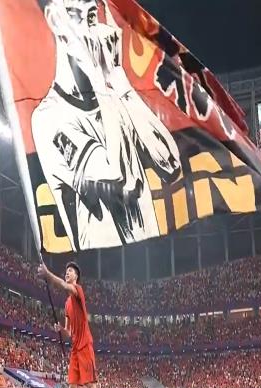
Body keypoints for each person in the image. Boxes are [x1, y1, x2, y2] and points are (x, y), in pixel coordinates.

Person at [32, 0, 181, 252]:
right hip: (103, 268)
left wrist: (118, 80)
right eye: (76, 16)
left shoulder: (115, 96)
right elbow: (117, 181)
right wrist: (101, 81)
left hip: (151, 260)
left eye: (92, 17)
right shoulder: (48, 118)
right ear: (56, 21)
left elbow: (171, 164)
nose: (89, 31)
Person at [38, 261, 103, 388]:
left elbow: (63, 285)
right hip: (74, 348)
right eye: (66, 270)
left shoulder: (77, 291)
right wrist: (61, 329)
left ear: (76, 276)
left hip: (85, 346)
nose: (67, 272)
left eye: (71, 271)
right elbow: (69, 332)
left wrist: (48, 275)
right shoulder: (67, 304)